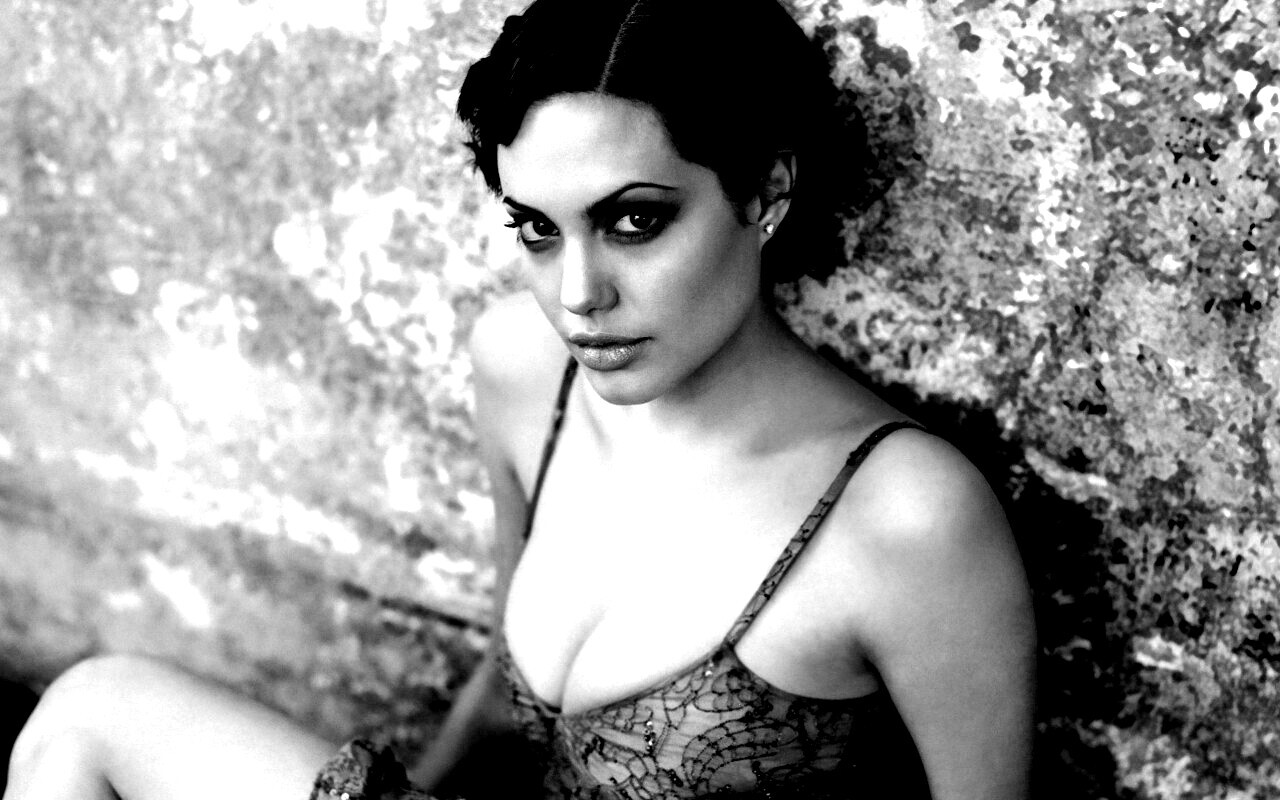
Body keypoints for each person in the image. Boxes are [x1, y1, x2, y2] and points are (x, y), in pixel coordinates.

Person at [3, 1, 1036, 799]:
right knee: (91, 710)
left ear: (765, 190)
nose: (577, 294)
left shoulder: (906, 518)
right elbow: (503, 681)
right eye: (538, 229)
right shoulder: (525, 368)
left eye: (633, 221)